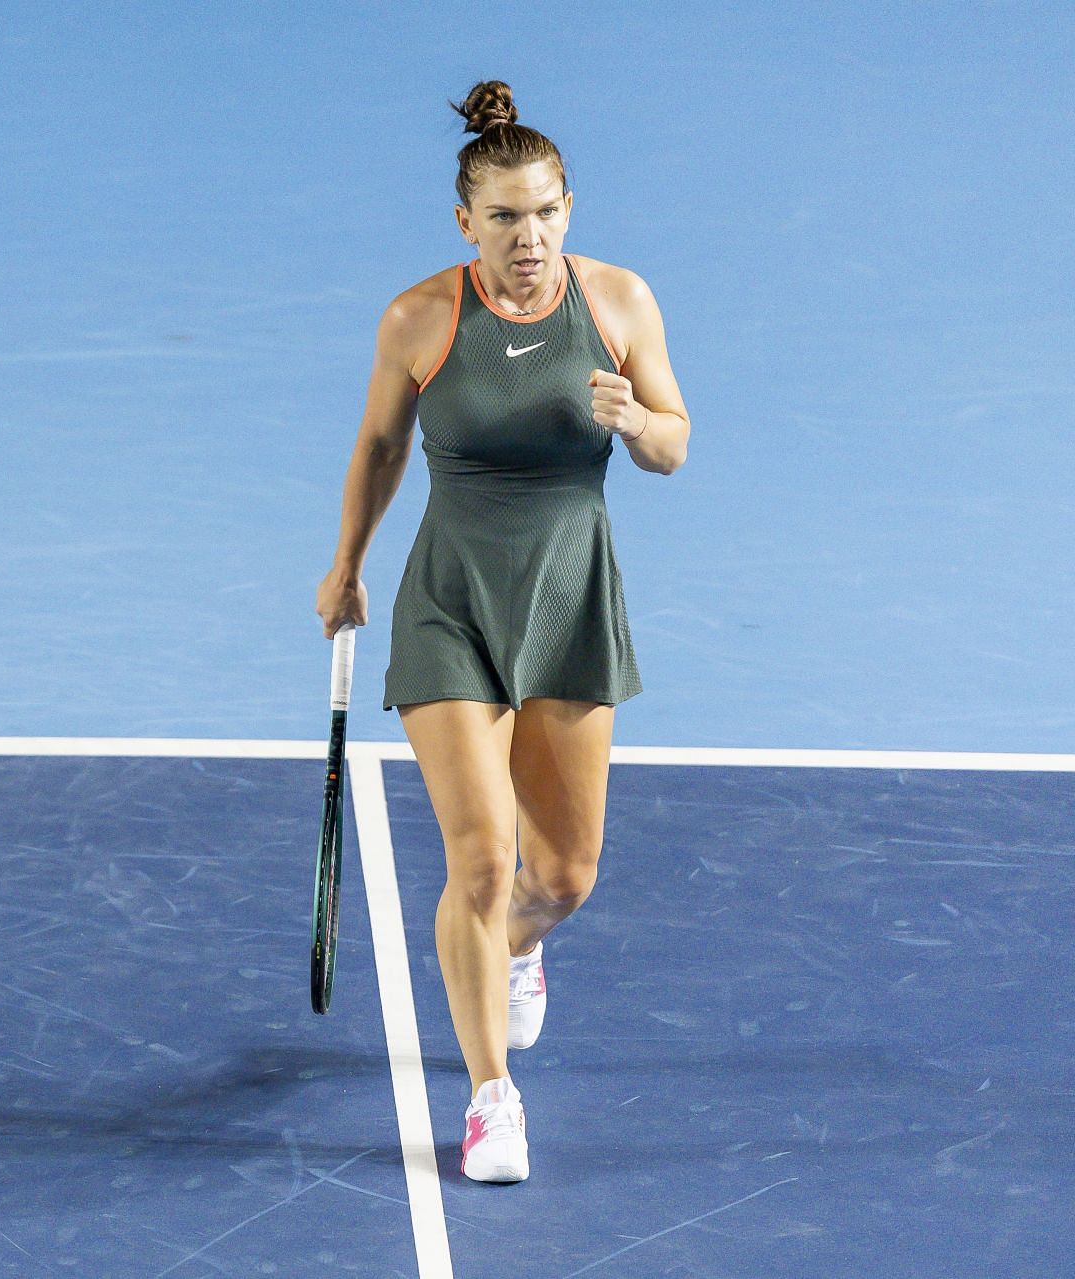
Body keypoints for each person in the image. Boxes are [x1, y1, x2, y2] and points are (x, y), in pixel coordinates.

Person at [314, 79, 690, 1183]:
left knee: (562, 874)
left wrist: (638, 422)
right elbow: (381, 448)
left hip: (571, 598)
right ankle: (491, 1099)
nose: (530, 239)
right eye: (506, 218)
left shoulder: (618, 301)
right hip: (452, 604)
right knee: (483, 862)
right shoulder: (420, 319)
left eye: (547, 213)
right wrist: (347, 565)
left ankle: (517, 949)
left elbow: (675, 442)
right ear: (465, 222)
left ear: (570, 206)